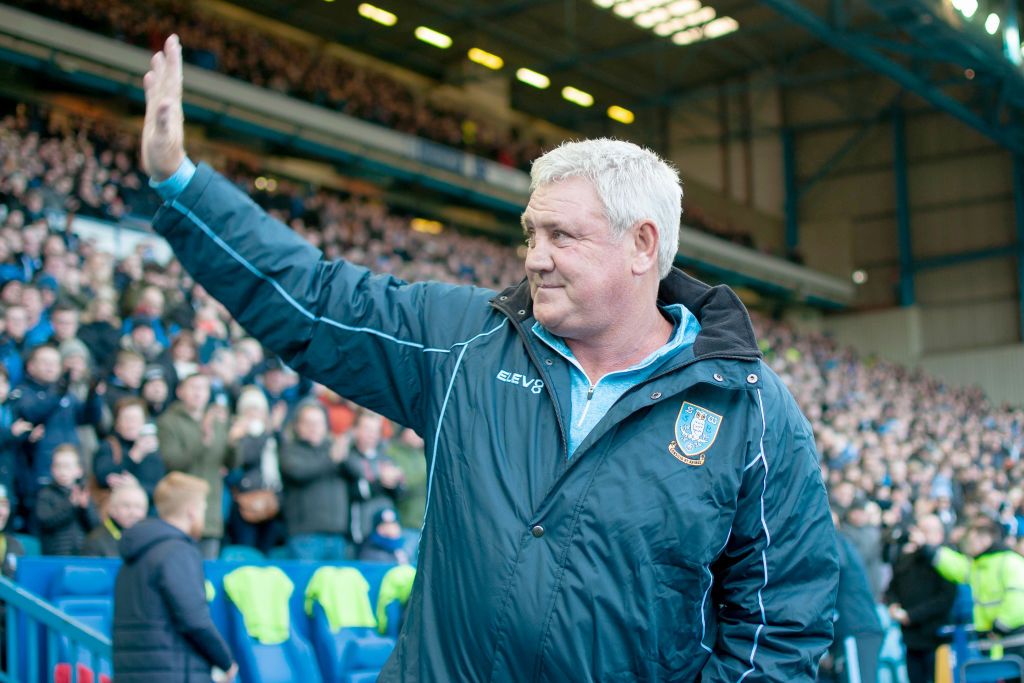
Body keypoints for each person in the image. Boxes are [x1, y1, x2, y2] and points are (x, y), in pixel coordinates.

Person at [142, 35, 838, 680]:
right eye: (532, 232)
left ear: (643, 245)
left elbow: (783, 622)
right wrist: (182, 185)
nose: (535, 257)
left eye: (562, 235)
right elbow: (313, 298)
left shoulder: (748, 409)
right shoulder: (464, 340)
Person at [113, 472, 238, 682]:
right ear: (192, 511)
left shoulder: (136, 553)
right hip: (172, 671)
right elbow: (194, 619)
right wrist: (225, 661)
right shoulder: (178, 552)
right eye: (203, 508)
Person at [157, 372, 235, 558]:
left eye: (203, 388)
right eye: (193, 387)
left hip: (211, 506)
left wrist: (234, 442)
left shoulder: (218, 422)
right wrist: (204, 438)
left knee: (207, 570)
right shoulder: (168, 421)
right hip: (179, 509)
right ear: (180, 391)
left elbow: (230, 463)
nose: (198, 393)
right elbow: (173, 461)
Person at [931, 516, 1024, 658]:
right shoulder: (978, 565)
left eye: (970, 539)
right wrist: (931, 549)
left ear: (985, 538)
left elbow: (1018, 600)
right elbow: (956, 567)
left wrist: (1000, 625)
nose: (967, 544)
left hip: (1014, 642)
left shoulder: (1010, 561)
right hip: (992, 641)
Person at [278, 402, 358, 561]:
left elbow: (357, 475)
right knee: (306, 585)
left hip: (337, 535)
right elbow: (298, 472)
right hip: (305, 536)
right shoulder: (290, 450)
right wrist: (332, 459)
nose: (313, 427)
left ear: (326, 426)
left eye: (318, 423)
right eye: (307, 422)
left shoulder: (333, 449)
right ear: (297, 426)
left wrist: (343, 454)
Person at [886, 515, 958, 683]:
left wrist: (911, 615)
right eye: (920, 530)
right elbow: (892, 587)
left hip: (937, 636)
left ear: (939, 535)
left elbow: (944, 599)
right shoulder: (907, 557)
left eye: (927, 531)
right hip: (911, 638)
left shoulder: (945, 558)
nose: (920, 536)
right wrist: (893, 604)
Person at [35, 444, 98, 555]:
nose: (62, 471)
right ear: (52, 469)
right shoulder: (46, 494)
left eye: (67, 466)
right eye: (58, 466)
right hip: (55, 554)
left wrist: (85, 508)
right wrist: (70, 505)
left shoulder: (83, 494)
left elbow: (95, 526)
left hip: (81, 554)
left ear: (79, 471)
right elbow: (46, 521)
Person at [81, 483, 148, 557]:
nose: (133, 513)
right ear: (112, 509)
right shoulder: (95, 541)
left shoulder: (147, 539)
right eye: (126, 505)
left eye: (138, 507)